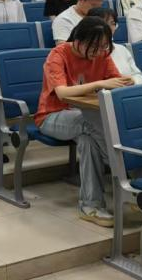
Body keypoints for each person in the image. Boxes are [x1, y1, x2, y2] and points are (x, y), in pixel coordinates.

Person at [37, 16, 133, 226]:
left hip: (84, 117)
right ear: (78, 41)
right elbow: (62, 93)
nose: (99, 52)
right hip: (52, 116)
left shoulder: (102, 54)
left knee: (88, 141)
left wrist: (125, 82)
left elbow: (115, 81)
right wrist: (99, 84)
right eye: (95, 47)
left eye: (104, 47)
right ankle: (124, 172)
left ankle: (90, 206)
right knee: (90, 121)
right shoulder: (58, 54)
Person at [90, 7, 142, 84]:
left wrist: (133, 81)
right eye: (104, 23)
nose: (109, 27)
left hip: (128, 89)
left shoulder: (122, 49)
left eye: (112, 23)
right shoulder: (88, 52)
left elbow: (138, 76)